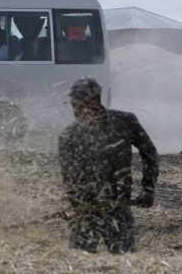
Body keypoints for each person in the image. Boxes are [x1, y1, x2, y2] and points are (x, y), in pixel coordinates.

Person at [58, 77, 158, 254]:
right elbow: (69, 179)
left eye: (79, 103)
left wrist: (148, 188)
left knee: (124, 261)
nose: (74, 109)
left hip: (118, 210)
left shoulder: (125, 122)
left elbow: (149, 153)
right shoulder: (69, 136)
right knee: (80, 262)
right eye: (73, 103)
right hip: (85, 212)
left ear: (94, 100)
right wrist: (73, 206)